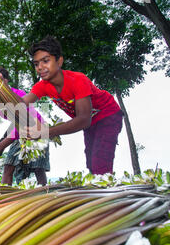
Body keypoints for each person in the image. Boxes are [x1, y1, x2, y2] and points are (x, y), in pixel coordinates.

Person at [21, 36, 123, 175]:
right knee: (91, 162)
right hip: (91, 121)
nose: (40, 67)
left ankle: (108, 192)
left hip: (108, 115)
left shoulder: (77, 80)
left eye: (46, 61)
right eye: (36, 64)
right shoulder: (42, 86)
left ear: (59, 61)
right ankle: (99, 186)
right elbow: (21, 103)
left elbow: (83, 120)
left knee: (100, 161)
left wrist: (45, 132)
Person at [0, 66, 50, 186]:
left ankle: (45, 196)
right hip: (18, 133)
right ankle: (5, 195)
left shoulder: (19, 95)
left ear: (4, 79)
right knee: (8, 166)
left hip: (36, 130)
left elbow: (19, 129)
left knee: (38, 168)